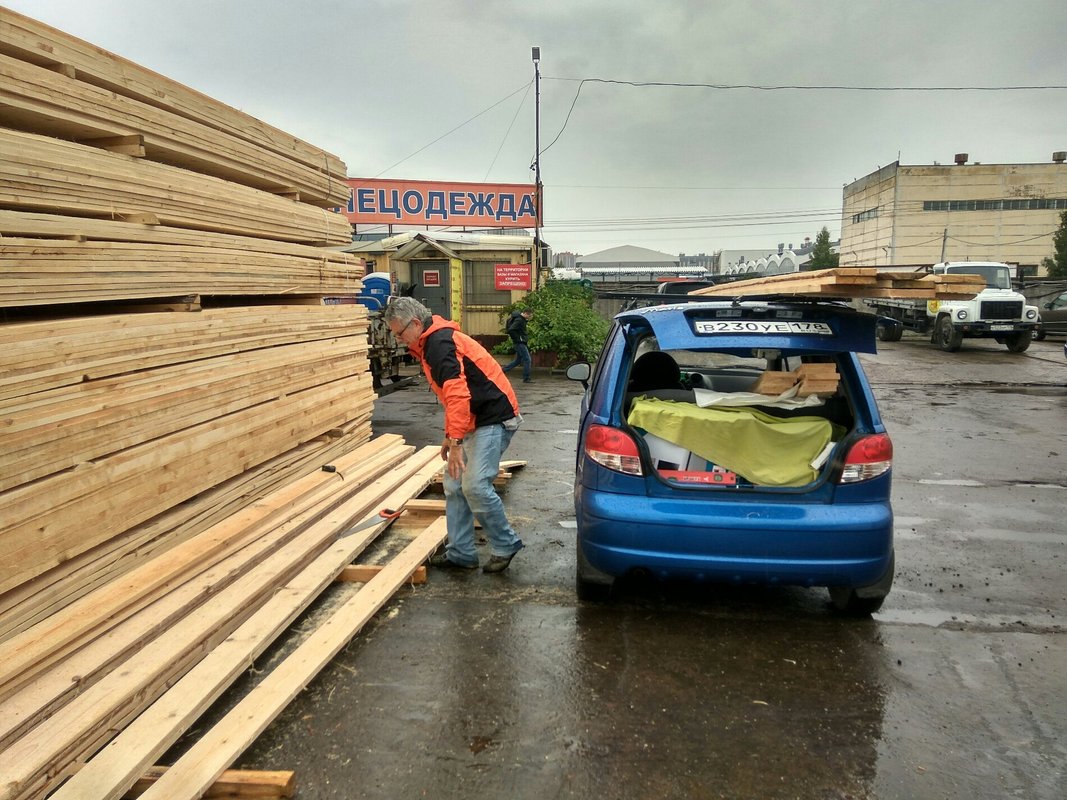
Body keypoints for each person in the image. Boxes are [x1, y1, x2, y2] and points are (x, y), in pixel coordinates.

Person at [383, 297, 524, 573]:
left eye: (399, 333)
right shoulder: (430, 342)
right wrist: (451, 434)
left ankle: (505, 544)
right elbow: (451, 396)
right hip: (476, 418)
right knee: (455, 484)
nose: (398, 340)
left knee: (474, 486)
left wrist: (457, 441)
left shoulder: (439, 344)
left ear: (414, 323)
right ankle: (461, 554)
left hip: (494, 417)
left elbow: (458, 394)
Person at [501, 308, 533, 383]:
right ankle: (526, 378)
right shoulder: (519, 320)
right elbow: (511, 330)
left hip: (518, 342)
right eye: (530, 315)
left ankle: (502, 370)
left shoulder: (519, 319)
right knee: (527, 360)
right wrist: (519, 339)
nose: (530, 317)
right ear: (526, 313)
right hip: (520, 343)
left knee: (518, 360)